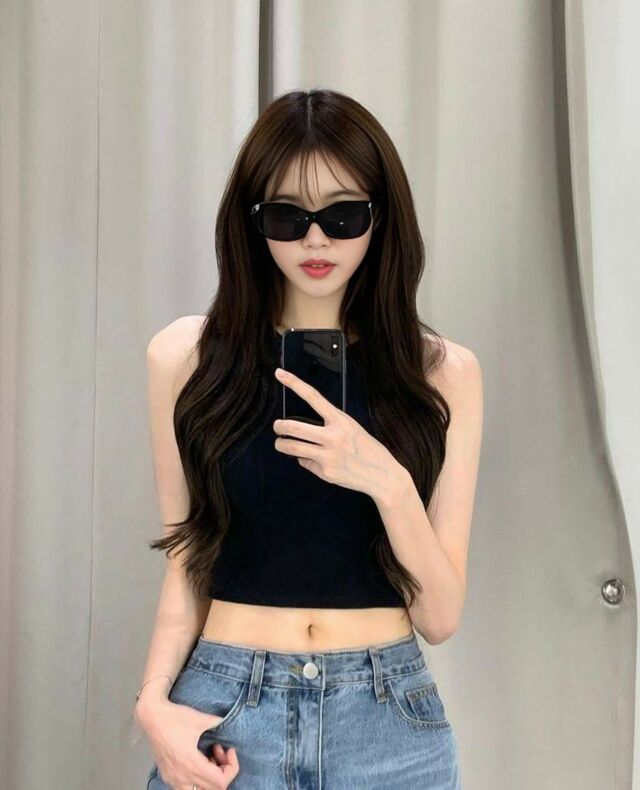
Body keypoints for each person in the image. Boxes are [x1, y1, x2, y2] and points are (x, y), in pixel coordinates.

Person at [135, 88, 482, 789]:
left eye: (343, 215)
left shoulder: (442, 374)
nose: (316, 241)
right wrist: (152, 706)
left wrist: (386, 481)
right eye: (287, 217)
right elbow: (187, 563)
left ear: (381, 218)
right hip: (227, 715)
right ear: (252, 222)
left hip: (388, 727)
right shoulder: (185, 359)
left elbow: (440, 616)